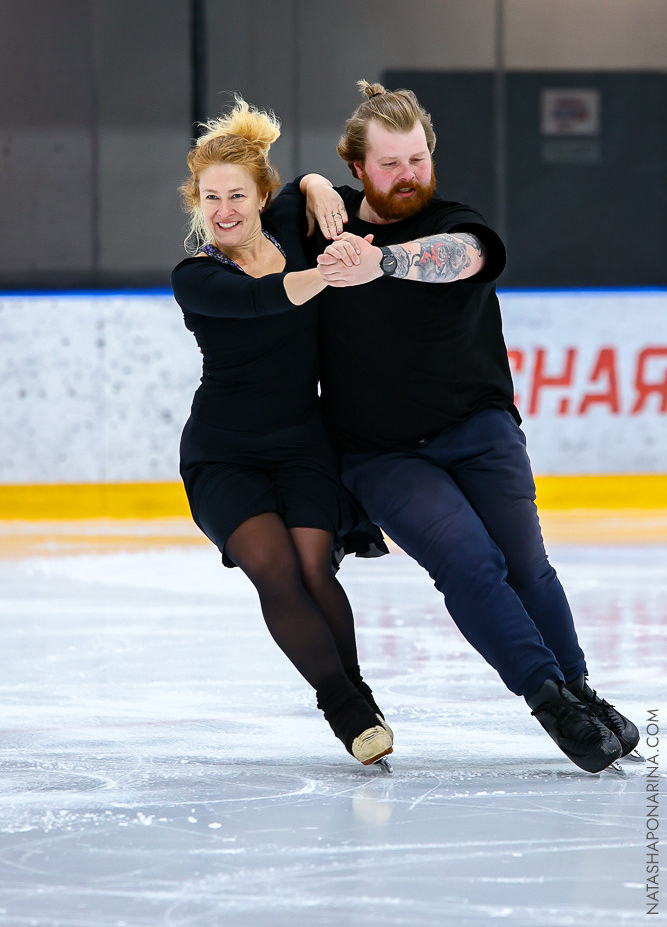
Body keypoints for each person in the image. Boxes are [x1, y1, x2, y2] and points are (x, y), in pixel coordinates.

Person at [294, 79, 640, 774]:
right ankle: (551, 702)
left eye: (417, 157)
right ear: (356, 167)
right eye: (388, 163)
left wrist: (381, 262)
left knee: (526, 567)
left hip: (478, 430)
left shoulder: (455, 221)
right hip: (381, 454)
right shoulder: (321, 228)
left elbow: (467, 255)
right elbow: (256, 203)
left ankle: (578, 688)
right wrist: (306, 183)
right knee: (468, 563)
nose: (406, 175)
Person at [171, 96, 392, 767]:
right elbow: (263, 300)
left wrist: (317, 182)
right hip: (223, 452)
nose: (224, 210)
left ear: (260, 196)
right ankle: (345, 710)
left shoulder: (292, 224)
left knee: (312, 567)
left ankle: (360, 698)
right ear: (198, 204)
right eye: (210, 198)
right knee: (273, 568)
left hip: (301, 443)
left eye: (236, 194)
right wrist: (326, 274)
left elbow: (300, 187)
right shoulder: (198, 276)